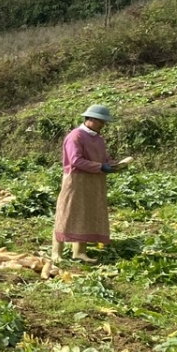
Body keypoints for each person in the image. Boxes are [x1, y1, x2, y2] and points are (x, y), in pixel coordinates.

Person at [52, 104, 128, 264]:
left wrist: (113, 165)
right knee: (67, 213)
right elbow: (75, 160)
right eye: (101, 121)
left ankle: (79, 252)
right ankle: (56, 253)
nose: (103, 125)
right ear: (91, 119)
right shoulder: (76, 136)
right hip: (76, 180)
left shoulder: (98, 139)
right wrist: (101, 167)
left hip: (94, 181)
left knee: (86, 214)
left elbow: (103, 158)